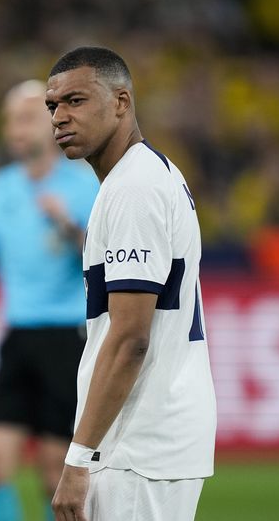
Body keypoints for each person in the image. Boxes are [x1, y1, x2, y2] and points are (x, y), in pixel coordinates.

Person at [45, 47, 217, 521]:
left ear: (121, 102)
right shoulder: (148, 174)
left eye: (75, 101)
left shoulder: (132, 189)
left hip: (139, 447)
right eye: (53, 106)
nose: (59, 117)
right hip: (150, 442)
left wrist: (77, 460)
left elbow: (129, 339)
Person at [0, 79, 99, 521]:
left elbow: (108, 262)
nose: (14, 130)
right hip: (18, 338)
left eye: (24, 119)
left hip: (69, 339)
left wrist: (71, 229)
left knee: (56, 474)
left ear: (52, 121)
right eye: (8, 121)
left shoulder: (83, 186)